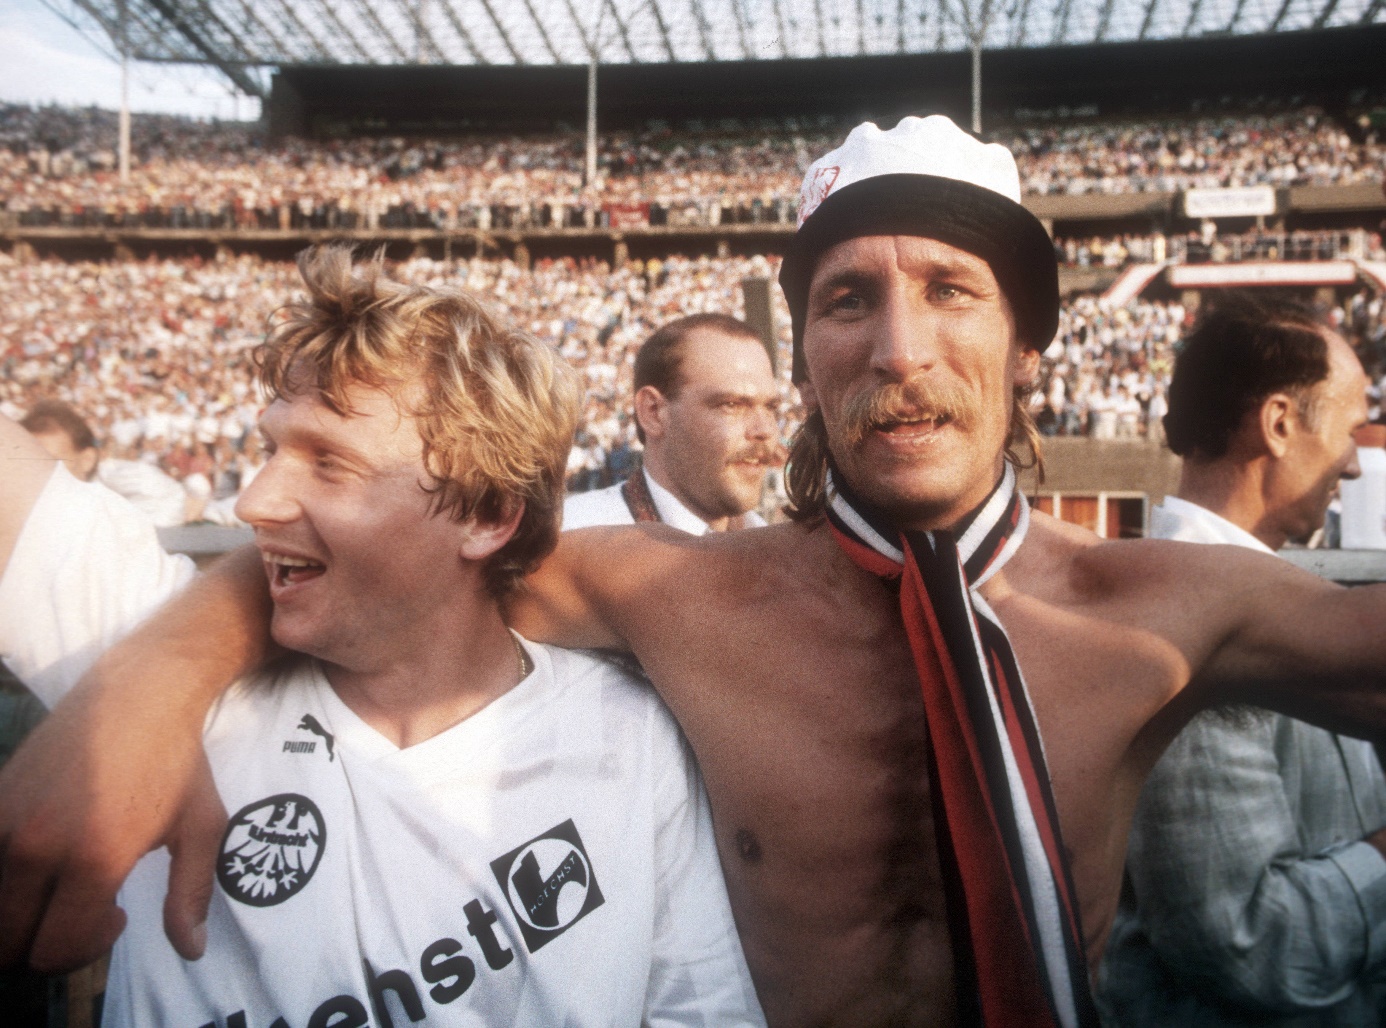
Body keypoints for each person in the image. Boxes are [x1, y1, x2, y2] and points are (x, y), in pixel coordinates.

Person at [8, 115, 1386, 1028]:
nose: (897, 346)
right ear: (804, 360)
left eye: (949, 290)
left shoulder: (1172, 612)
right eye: (847, 298)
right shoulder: (671, 594)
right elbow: (411, 547)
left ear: (1027, 343)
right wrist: (143, 687)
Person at [0, 248, 762, 1026]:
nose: (254, 502)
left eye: (329, 463)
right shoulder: (156, 669)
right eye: (270, 449)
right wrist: (138, 688)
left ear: (487, 514)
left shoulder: (632, 742)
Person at [1100, 296, 1386, 1026]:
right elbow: (1246, 948)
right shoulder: (1179, 627)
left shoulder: (1229, 593)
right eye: (1352, 428)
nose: (1355, 463)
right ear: (1281, 423)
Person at [563, 313, 780, 533]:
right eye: (732, 405)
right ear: (653, 412)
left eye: (771, 408)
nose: (764, 430)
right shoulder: (569, 541)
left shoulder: (779, 552)